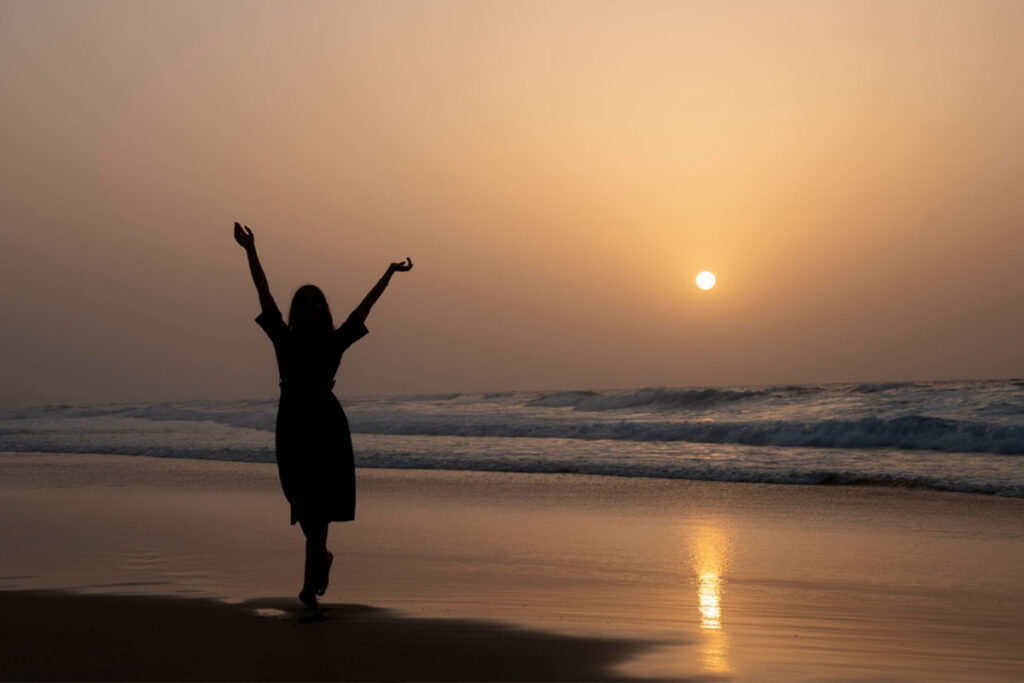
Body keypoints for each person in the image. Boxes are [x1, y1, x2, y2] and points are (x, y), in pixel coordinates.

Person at [234, 221, 412, 610]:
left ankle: (307, 589)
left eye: (317, 302)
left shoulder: (335, 340)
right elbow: (263, 295)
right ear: (297, 311)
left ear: (324, 309)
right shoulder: (284, 337)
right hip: (294, 429)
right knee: (304, 504)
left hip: (327, 428)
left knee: (319, 508)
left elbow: (364, 309)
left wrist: (388, 274)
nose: (312, 306)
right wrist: (250, 250)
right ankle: (322, 560)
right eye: (306, 302)